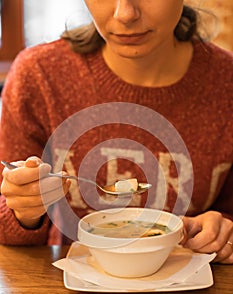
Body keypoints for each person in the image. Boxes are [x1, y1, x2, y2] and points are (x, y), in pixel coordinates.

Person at [0, 1, 232, 263]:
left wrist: (223, 231)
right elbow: (8, 226)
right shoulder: (39, 75)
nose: (125, 14)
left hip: (189, 292)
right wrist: (24, 211)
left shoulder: (226, 83)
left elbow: (228, 217)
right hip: (72, 292)